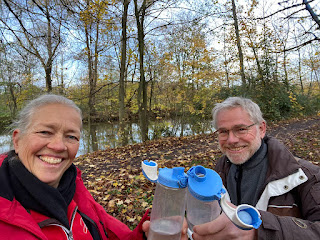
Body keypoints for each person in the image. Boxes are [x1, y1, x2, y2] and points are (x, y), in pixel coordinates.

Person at [0, 94, 188, 240]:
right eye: (44, 132)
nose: (59, 146)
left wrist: (147, 234)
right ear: (17, 140)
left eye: (71, 136)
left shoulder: (75, 189)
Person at [192, 96, 320, 239]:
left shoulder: (306, 177)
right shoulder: (217, 175)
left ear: (261, 129)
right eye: (223, 132)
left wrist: (260, 231)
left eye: (241, 129)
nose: (231, 140)